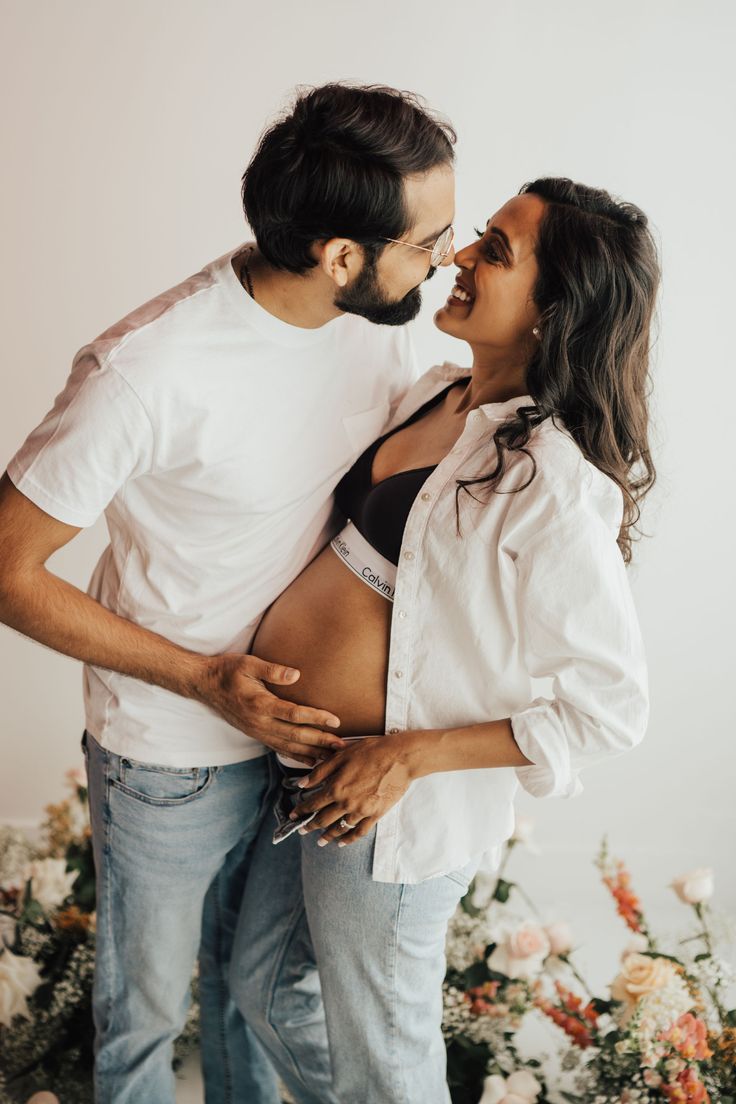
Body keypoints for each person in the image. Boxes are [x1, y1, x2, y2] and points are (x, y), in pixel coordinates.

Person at [0, 82, 458, 1103]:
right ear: (341, 253)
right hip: (172, 755)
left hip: (304, 747)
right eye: (433, 237)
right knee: (148, 1014)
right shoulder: (144, 370)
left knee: (250, 996)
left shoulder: (372, 316)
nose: (448, 257)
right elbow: (6, 568)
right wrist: (204, 678)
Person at [228, 177, 660, 1104]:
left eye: (495, 253)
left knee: (383, 1049)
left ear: (557, 311)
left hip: (384, 809)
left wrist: (407, 759)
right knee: (261, 995)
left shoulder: (551, 479)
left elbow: (609, 708)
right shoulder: (435, 391)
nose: (459, 256)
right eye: (477, 238)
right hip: (302, 772)